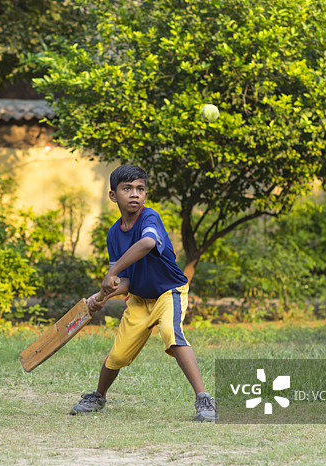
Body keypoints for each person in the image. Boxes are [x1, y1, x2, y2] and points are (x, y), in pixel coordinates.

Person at [70, 164, 217, 421]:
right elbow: (124, 281)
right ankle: (98, 396)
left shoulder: (150, 218)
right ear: (113, 195)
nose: (135, 194)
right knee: (118, 354)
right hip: (139, 299)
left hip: (168, 292)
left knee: (172, 334)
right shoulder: (114, 235)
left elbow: (148, 243)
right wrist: (102, 295)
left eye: (140, 189)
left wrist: (111, 273)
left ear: (146, 195)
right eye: (127, 189)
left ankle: (204, 400)